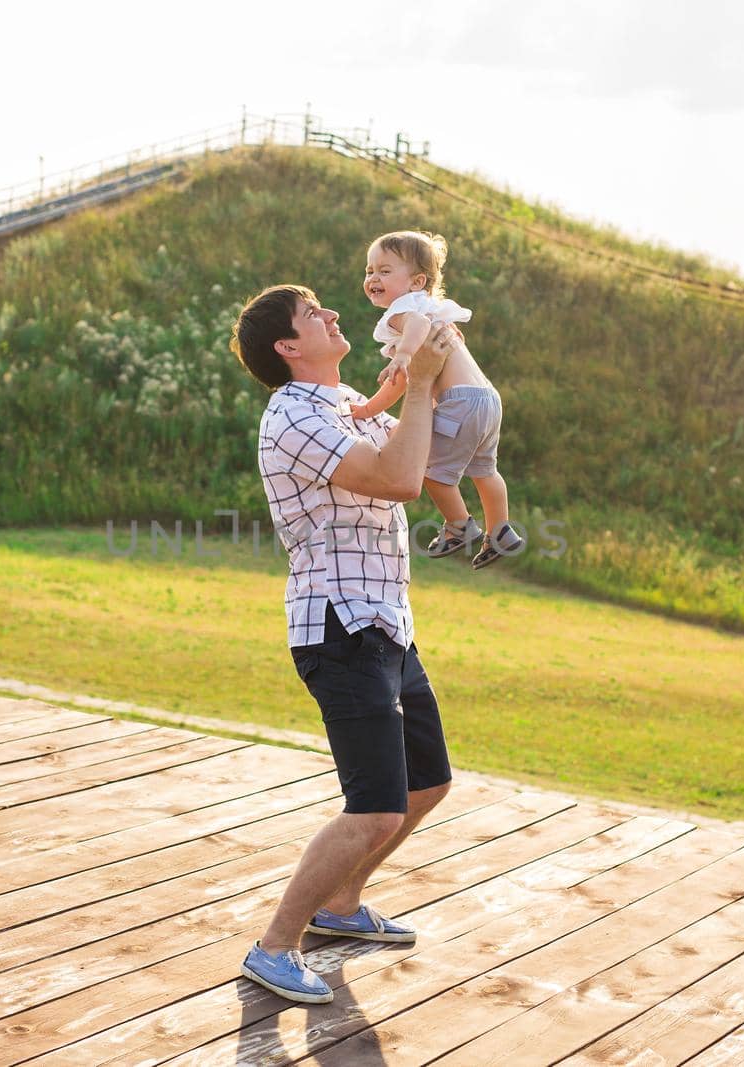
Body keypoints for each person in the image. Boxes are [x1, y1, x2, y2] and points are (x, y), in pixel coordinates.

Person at [228, 283, 459, 1004]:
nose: (332, 315)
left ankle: (341, 904)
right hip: (339, 624)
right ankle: (273, 947)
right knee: (375, 808)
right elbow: (398, 480)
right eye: (314, 314)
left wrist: (414, 387)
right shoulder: (291, 415)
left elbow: (405, 453)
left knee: (428, 783)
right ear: (289, 347)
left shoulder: (340, 400)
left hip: (387, 621)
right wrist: (417, 388)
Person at [349, 230, 523, 568]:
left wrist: (402, 354)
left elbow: (410, 342)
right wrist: (370, 407)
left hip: (459, 401)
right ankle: (501, 531)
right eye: (370, 271)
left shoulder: (405, 312)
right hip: (487, 399)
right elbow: (405, 381)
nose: (373, 278)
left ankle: (459, 526)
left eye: (385, 271)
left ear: (417, 281)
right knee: (486, 471)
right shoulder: (433, 312)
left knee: (430, 471)